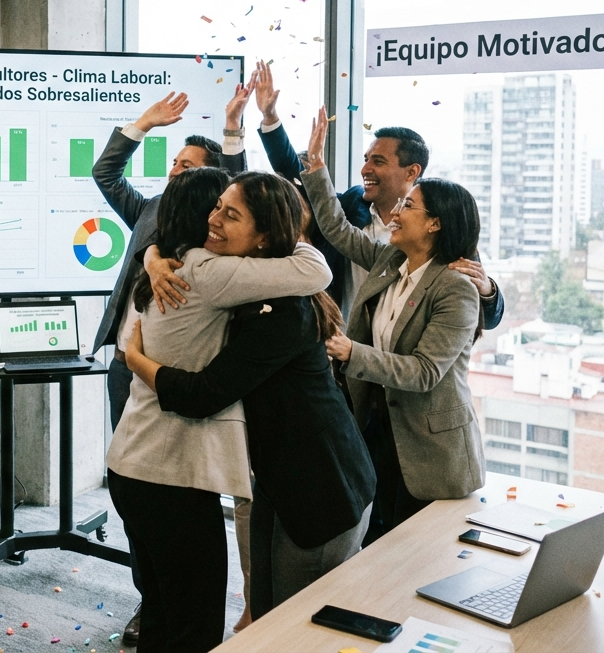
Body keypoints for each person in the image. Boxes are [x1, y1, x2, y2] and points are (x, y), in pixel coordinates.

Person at [124, 171, 376, 617]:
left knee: (296, 624)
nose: (213, 218)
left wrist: (136, 361)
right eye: (217, 205)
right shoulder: (252, 280)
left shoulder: (284, 309)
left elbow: (205, 394)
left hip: (322, 485)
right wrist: (153, 256)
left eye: (230, 214)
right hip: (277, 475)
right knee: (265, 610)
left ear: (262, 238)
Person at [90, 86, 250, 643]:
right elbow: (105, 174)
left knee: (168, 479)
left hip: (174, 366)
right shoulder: (155, 208)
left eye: (188, 167)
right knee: (137, 476)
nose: (176, 172)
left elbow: (246, 193)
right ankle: (150, 591)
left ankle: (163, 596)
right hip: (125, 355)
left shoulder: (214, 241)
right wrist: (142, 126)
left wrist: (233, 129)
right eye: (175, 164)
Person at [300, 105, 486, 534]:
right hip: (377, 425)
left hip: (430, 447)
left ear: (435, 224)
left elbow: (424, 373)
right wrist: (316, 168)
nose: (396, 214)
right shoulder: (389, 261)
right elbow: (335, 227)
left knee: (418, 556)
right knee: (379, 542)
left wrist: (351, 351)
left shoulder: (455, 286)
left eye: (410, 207)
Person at [249, 60, 504, 328]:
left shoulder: (441, 231)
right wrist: (270, 118)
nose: (365, 169)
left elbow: (484, 319)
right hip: (341, 350)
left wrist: (487, 290)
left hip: (400, 360)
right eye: (366, 158)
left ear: (411, 172)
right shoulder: (350, 205)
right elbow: (299, 181)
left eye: (378, 162)